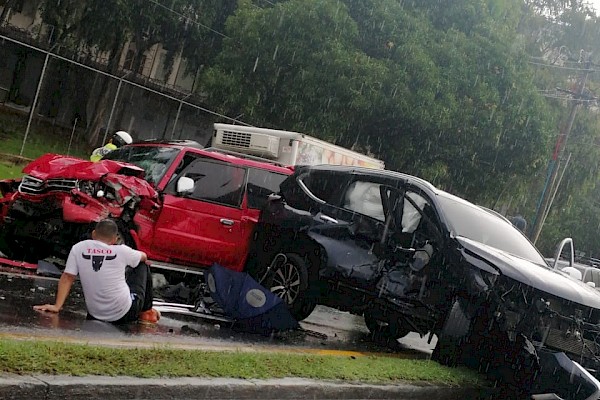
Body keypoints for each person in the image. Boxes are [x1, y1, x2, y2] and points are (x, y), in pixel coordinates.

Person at [33, 219, 160, 324]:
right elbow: (144, 257)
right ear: (115, 239)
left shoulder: (78, 248)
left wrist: (56, 306)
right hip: (125, 313)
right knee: (142, 265)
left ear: (93, 234)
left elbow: (67, 277)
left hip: (96, 314)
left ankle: (144, 311)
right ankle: (146, 311)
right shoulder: (122, 250)